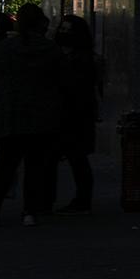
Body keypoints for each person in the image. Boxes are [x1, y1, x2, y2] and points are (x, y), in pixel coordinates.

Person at [0, 3, 65, 228]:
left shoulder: (3, 49)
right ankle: (29, 211)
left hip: (10, 114)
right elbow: (61, 82)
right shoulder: (50, 50)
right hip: (40, 115)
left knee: (6, 165)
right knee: (34, 166)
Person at [52, 14, 102, 213]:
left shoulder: (82, 59)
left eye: (67, 30)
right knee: (74, 158)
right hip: (66, 112)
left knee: (77, 158)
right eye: (62, 29)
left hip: (77, 114)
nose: (63, 33)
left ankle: (83, 199)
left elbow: (82, 87)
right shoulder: (65, 55)